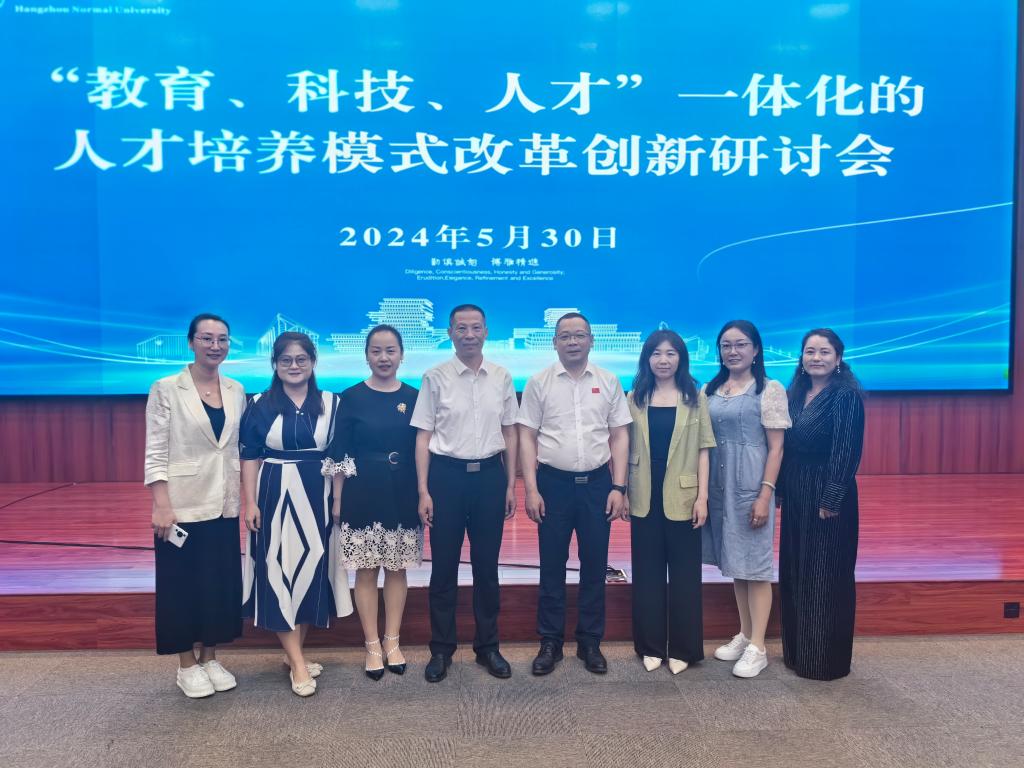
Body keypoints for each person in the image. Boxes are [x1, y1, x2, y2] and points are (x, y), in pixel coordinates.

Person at [518, 312, 632, 676]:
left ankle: (590, 642)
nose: (572, 341)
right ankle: (550, 642)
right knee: (551, 566)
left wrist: (619, 486)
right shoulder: (539, 382)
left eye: (579, 335)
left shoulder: (608, 381)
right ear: (554, 342)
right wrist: (531, 488)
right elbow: (526, 436)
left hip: (598, 485)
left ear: (591, 340)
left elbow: (620, 435)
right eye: (565, 336)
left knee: (595, 566)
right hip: (552, 485)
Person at [410, 304, 519, 683]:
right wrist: (423, 490)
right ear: (450, 333)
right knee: (443, 569)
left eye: (475, 328)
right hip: (446, 479)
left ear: (486, 331)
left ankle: (488, 647)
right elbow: (423, 437)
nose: (469, 334)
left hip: (489, 478)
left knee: (487, 569)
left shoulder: (502, 376)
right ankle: (441, 650)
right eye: (461, 328)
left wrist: (510, 483)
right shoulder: (434, 377)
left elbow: (510, 432)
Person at [144, 313, 246, 699]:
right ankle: (186, 664)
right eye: (206, 338)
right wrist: (161, 504)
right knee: (180, 586)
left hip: (223, 502)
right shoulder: (167, 388)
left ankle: (210, 658)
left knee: (218, 584)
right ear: (191, 342)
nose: (215, 346)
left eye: (222, 339)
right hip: (181, 504)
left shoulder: (236, 389)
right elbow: (155, 451)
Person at [240, 332, 345, 697]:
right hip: (273, 492)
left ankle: (293, 653)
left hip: (318, 494)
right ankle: (298, 664)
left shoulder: (332, 403)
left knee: (312, 568)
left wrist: (337, 500)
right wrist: (250, 502)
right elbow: (248, 456)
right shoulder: (259, 403)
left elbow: (338, 457)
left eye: (301, 359)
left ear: (313, 362)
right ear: (275, 364)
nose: (294, 366)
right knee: (278, 570)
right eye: (286, 360)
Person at [328, 325, 421, 680]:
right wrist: (338, 499)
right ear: (366, 355)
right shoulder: (350, 397)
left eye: (390, 350)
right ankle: (371, 645)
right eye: (376, 351)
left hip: (403, 489)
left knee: (397, 569)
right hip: (362, 489)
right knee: (366, 570)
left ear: (401, 355)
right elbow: (340, 452)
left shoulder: (415, 396)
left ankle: (392, 642)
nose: (384, 357)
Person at [702, 320, 790, 678]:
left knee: (756, 567)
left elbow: (777, 448)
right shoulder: (711, 388)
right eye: (726, 345)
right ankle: (745, 633)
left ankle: (759, 647)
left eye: (740, 344)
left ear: (755, 350)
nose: (733, 351)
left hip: (752, 488)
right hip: (720, 488)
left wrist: (765, 494)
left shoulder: (769, 389)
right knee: (736, 565)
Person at [626, 329, 716, 675]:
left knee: (685, 575)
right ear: (647, 359)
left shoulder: (695, 396)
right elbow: (623, 446)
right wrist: (623, 490)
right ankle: (649, 646)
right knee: (646, 574)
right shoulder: (635, 397)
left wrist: (702, 497)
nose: (663, 360)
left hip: (684, 495)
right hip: (644, 494)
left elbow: (704, 449)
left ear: (681, 358)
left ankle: (683, 648)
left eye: (671, 353)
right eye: (656, 353)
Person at [778, 327, 865, 681]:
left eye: (824, 352)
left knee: (825, 576)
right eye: (810, 351)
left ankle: (823, 662)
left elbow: (847, 451)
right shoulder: (795, 393)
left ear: (838, 358)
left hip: (828, 496)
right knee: (796, 569)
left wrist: (832, 497)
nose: (816, 358)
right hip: (796, 490)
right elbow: (784, 447)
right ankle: (797, 654)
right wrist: (779, 490)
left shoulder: (845, 397)